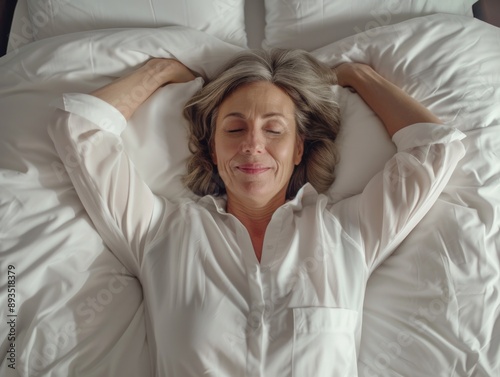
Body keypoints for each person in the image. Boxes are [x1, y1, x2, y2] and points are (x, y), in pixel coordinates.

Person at [48, 49, 465, 376]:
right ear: (213, 148)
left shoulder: (346, 233)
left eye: (274, 129)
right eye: (233, 129)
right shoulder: (163, 234)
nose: (252, 145)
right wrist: (159, 71)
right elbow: (81, 130)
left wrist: (356, 76)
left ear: (298, 147)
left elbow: (436, 150)